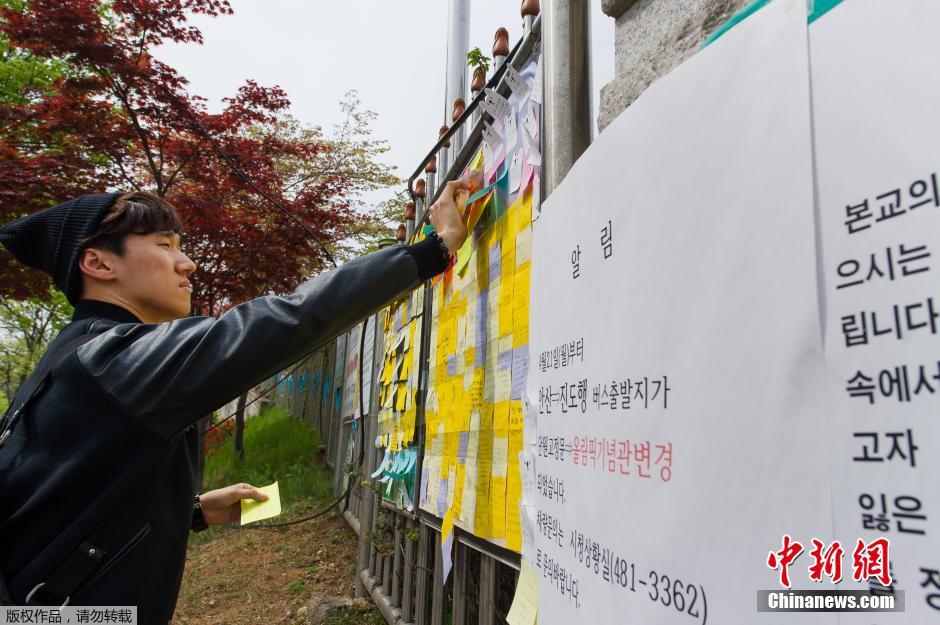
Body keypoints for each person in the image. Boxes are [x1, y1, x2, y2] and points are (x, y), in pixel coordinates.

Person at [0, 180, 469, 622]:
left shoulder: (76, 355)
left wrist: (195, 511)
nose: (187, 264)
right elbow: (290, 317)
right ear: (99, 265)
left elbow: (70, 495)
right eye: (165, 246)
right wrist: (433, 248)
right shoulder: (115, 359)